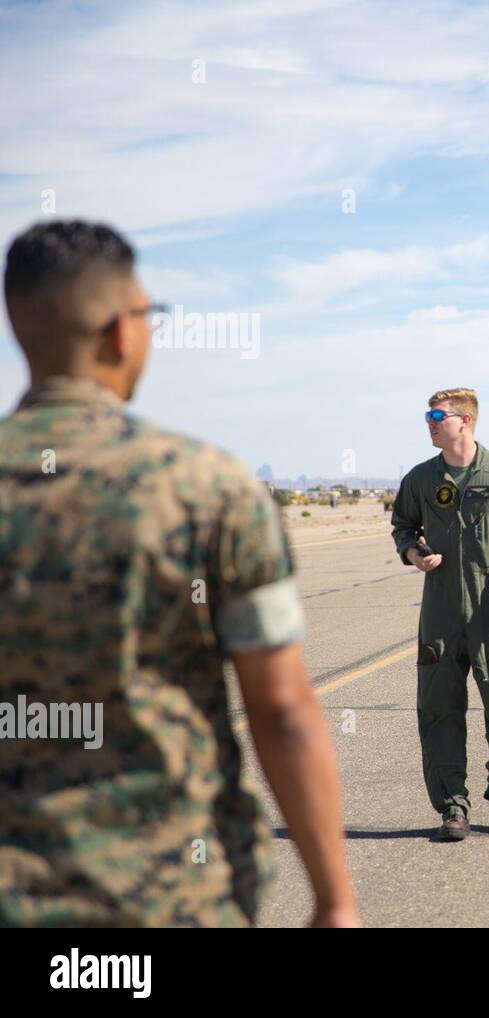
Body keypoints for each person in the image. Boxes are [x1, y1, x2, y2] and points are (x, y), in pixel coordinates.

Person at [0, 220, 358, 927]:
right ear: (119, 333)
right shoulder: (206, 488)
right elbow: (282, 709)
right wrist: (335, 899)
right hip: (170, 899)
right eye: (147, 314)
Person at [390, 387, 489, 841]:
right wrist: (413, 552)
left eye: (437, 415)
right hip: (439, 611)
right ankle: (453, 807)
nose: (429, 422)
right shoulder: (420, 479)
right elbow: (403, 525)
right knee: (440, 709)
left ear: (465, 421)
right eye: (427, 415)